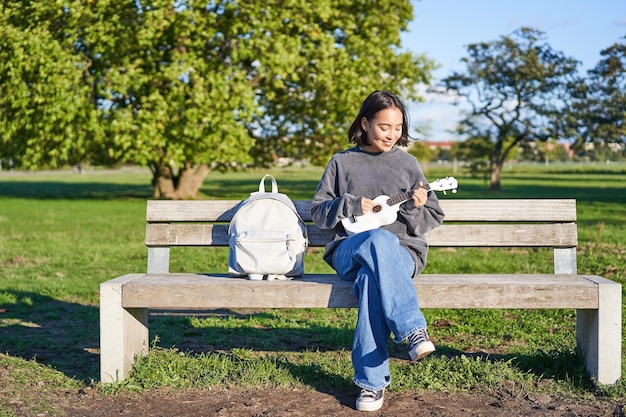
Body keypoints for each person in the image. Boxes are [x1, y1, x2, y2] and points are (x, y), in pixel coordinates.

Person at [310, 90, 445, 412]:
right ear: (365, 123)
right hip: (349, 251)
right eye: (385, 126)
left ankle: (371, 386)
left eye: (398, 128)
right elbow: (318, 212)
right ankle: (412, 330)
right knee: (378, 241)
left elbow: (432, 218)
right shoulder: (342, 162)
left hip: (402, 254)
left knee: (374, 278)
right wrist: (351, 204)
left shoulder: (408, 164)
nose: (392, 134)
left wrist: (414, 207)